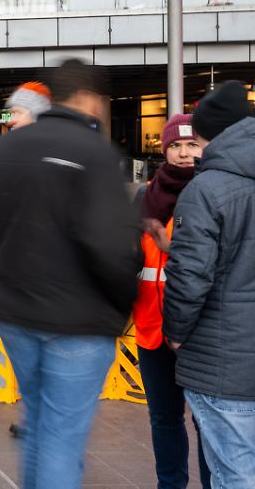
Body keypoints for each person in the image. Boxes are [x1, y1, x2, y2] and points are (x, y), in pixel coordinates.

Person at [0, 58, 140, 489]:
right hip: (80, 320)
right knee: (62, 438)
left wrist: (9, 270)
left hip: (16, 314)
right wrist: (121, 304)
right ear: (90, 98)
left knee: (37, 424)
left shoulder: (2, 150)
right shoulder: (95, 154)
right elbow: (110, 246)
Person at [164, 80, 255, 487]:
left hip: (224, 362)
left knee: (235, 474)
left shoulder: (206, 190)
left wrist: (176, 333)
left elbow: (189, 275)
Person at [131, 113, 213, 489]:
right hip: (151, 328)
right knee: (164, 418)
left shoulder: (215, 194)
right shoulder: (145, 195)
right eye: (175, 145)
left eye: (191, 144)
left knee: (207, 420)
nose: (183, 153)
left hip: (200, 331)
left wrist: (171, 249)